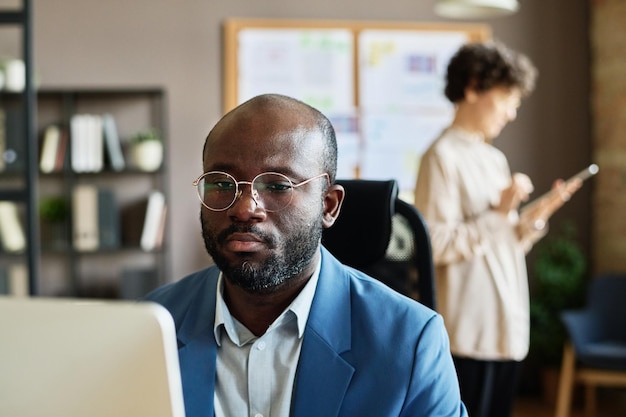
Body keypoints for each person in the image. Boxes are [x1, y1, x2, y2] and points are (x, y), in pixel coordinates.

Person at [142, 93, 468, 417]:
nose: (244, 209)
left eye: (278, 185)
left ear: (328, 205)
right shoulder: (148, 326)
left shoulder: (410, 342)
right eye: (222, 184)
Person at [413, 41, 583, 417]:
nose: (512, 112)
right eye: (507, 98)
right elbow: (435, 245)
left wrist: (536, 215)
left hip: (505, 323)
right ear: (473, 88)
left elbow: (503, 244)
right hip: (468, 333)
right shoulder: (441, 156)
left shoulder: (494, 158)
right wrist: (499, 214)